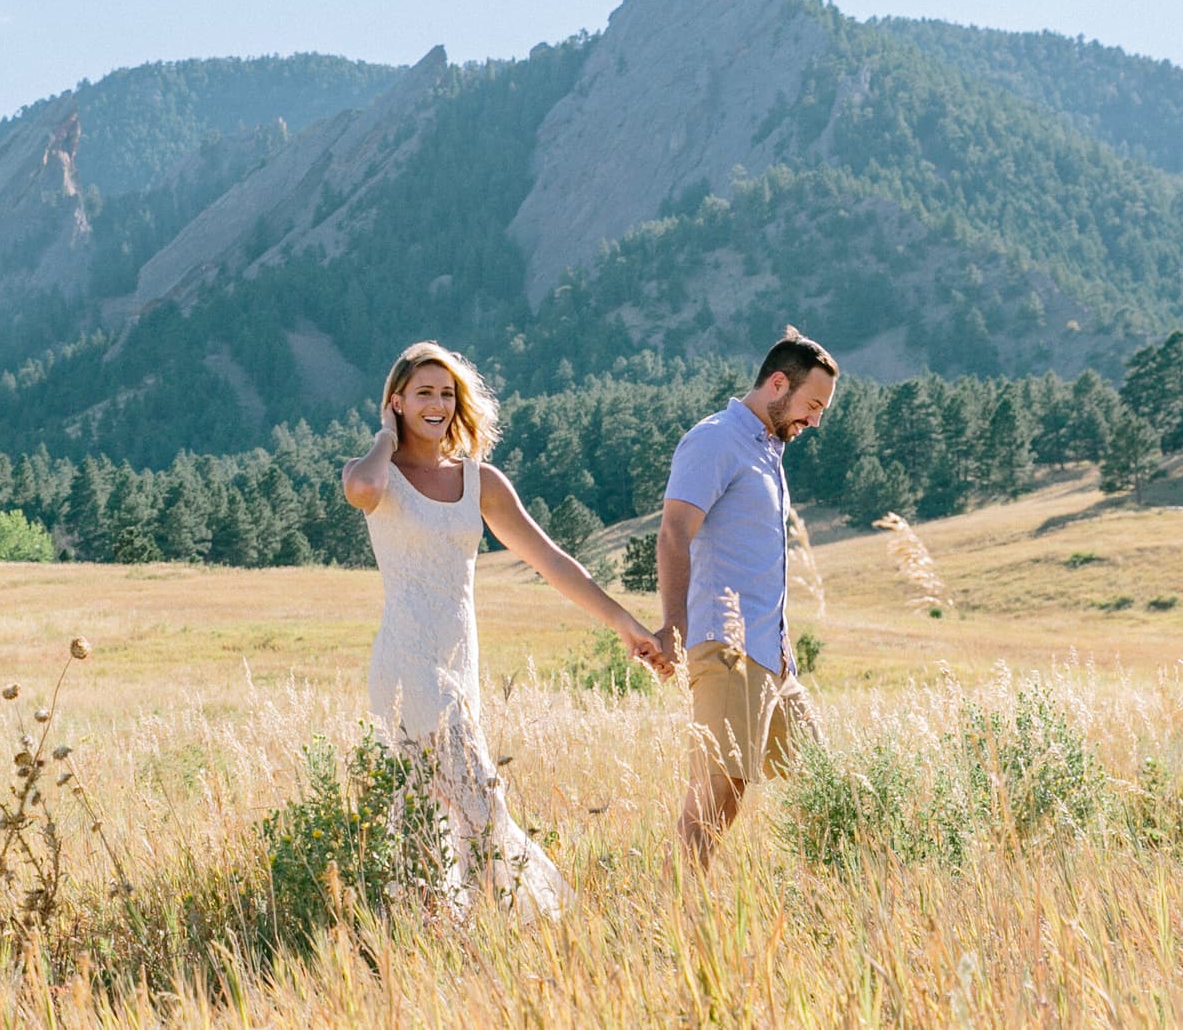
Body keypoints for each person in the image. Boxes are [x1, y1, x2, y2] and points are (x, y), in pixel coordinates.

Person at [342, 340, 668, 917]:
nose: (437, 404)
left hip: (458, 662)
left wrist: (624, 623)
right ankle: (524, 920)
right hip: (406, 662)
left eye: (447, 393)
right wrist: (384, 438)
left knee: (430, 805)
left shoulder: (479, 481)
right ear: (396, 401)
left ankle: (440, 928)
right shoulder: (379, 473)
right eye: (423, 393)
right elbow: (360, 492)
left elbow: (552, 560)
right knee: (475, 801)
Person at [653, 327, 838, 868]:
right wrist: (673, 626)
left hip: (775, 659)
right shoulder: (715, 439)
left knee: (820, 783)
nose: (815, 420)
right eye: (811, 404)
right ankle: (672, 912)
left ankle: (827, 901)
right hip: (729, 649)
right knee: (720, 793)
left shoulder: (767, 449)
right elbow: (673, 532)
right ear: (777, 383)